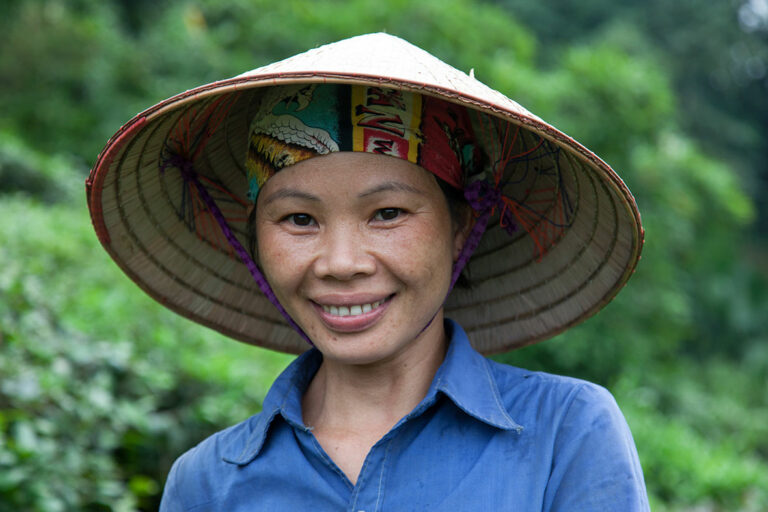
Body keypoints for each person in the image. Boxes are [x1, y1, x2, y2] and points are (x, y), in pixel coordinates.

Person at [88, 33, 648, 510]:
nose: (342, 264)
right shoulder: (207, 483)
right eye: (299, 219)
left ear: (460, 228)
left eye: (387, 213)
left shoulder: (566, 434)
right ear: (255, 236)